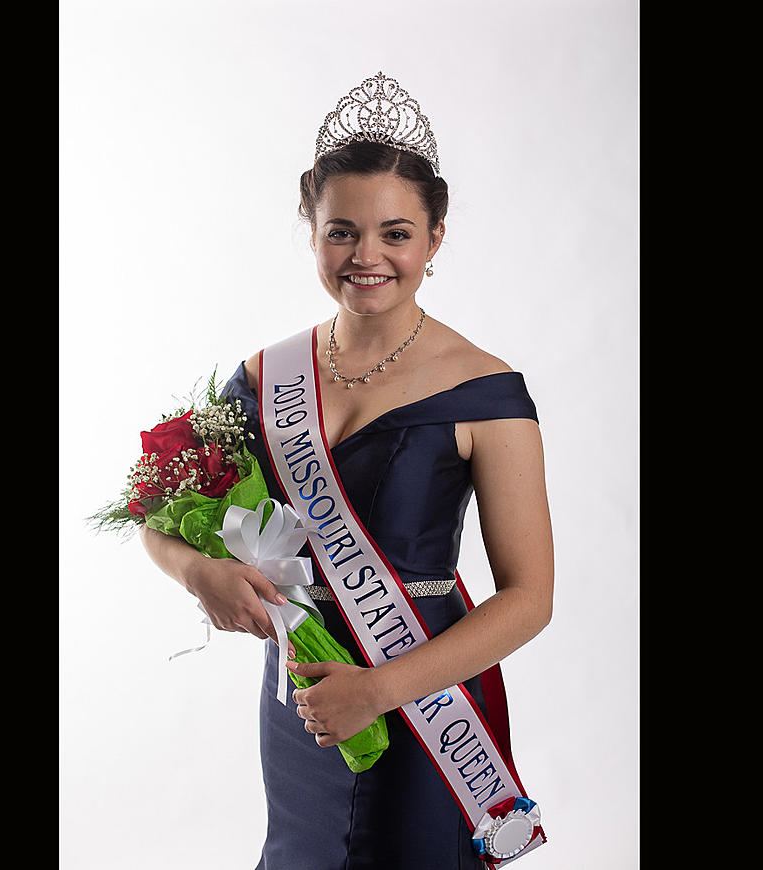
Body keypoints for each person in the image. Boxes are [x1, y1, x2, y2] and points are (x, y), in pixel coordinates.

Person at [139, 71, 554, 869]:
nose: (367, 256)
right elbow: (156, 516)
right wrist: (198, 572)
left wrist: (380, 689)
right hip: (300, 689)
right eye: (342, 232)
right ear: (313, 232)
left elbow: (530, 600)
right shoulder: (265, 376)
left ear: (434, 240)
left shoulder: (489, 391)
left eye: (396, 233)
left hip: (424, 696)